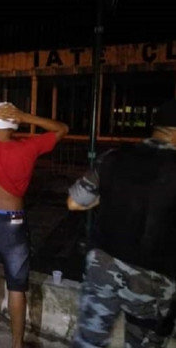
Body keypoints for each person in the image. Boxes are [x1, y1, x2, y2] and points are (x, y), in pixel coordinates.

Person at [67, 99, 176, 348]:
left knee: (88, 341)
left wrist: (108, 196)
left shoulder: (114, 157)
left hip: (104, 265)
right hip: (153, 277)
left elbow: (74, 202)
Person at [0, 102, 68, 348]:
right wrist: (25, 116)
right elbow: (62, 129)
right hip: (15, 226)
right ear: (16, 124)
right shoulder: (28, 147)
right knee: (17, 289)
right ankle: (16, 344)